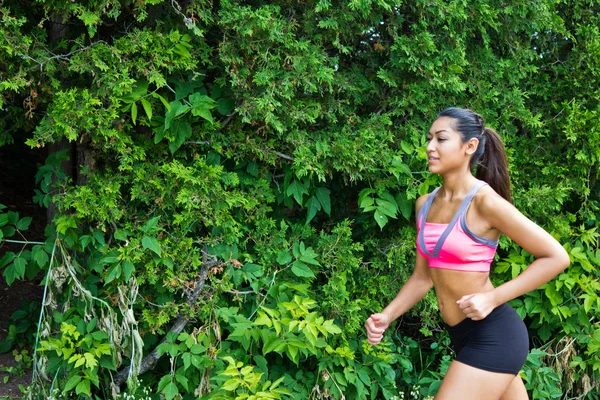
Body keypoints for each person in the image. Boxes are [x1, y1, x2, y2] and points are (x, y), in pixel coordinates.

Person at [364, 107, 570, 400]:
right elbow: (422, 277)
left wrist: (492, 297)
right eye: (429, 138)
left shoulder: (485, 202)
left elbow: (556, 257)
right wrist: (387, 315)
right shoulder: (425, 204)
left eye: (441, 139)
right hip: (462, 335)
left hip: (495, 334)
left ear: (469, 146)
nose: (430, 146)